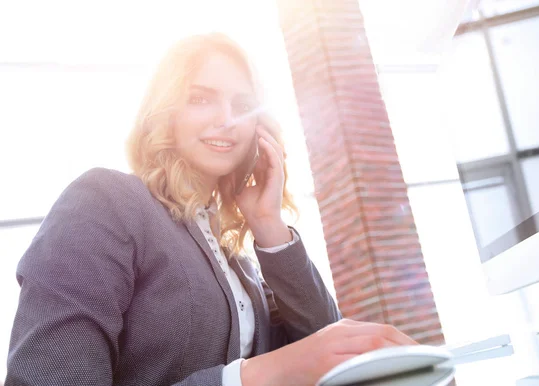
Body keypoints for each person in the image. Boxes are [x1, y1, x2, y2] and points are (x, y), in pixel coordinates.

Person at [5, 33, 416, 386]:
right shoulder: (106, 201)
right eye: (201, 98)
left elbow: (328, 350)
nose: (226, 120)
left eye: (242, 105)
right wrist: (254, 375)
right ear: (166, 112)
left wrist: (269, 224)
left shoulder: (239, 265)